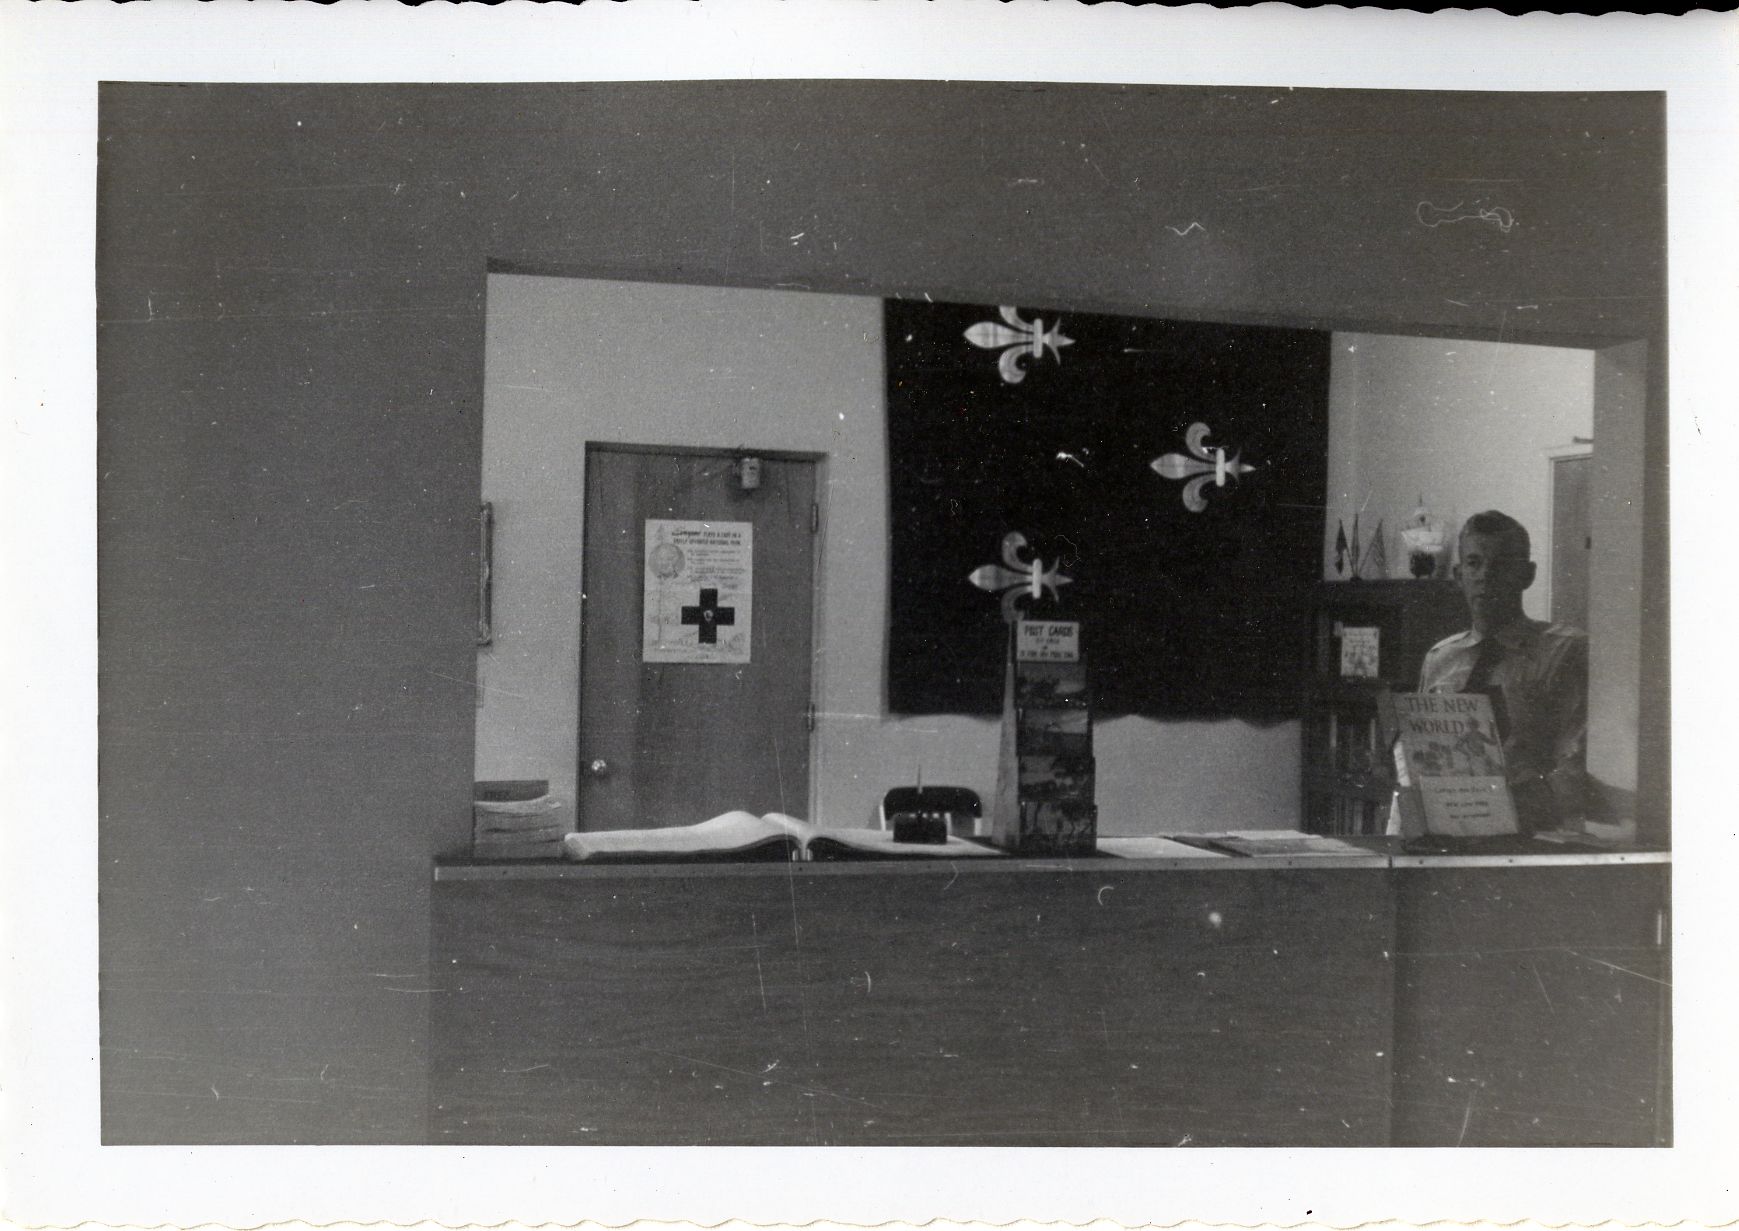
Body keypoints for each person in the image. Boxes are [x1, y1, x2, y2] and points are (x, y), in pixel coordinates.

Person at [1411, 510, 1589, 834]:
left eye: (1502, 564)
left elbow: (1577, 767)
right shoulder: (1440, 658)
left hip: (1532, 835)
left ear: (1527, 574)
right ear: (1458, 574)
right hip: (1449, 833)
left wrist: (1508, 809)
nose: (1485, 575)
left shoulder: (1565, 652)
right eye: (1474, 563)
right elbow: (1424, 757)